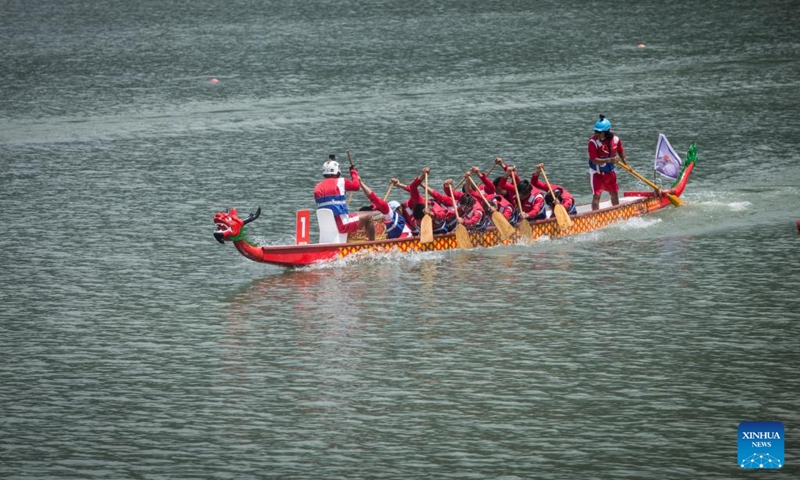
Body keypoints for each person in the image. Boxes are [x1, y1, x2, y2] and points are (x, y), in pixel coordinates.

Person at [313, 154, 375, 240]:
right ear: (337, 170)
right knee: (368, 217)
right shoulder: (341, 181)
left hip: (327, 226)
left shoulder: (317, 187)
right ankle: (372, 246)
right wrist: (353, 172)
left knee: (356, 215)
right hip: (342, 225)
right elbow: (356, 186)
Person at [588, 114, 627, 210]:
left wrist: (626, 164)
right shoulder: (592, 142)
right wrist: (610, 160)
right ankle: (595, 218)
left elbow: (620, 151)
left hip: (610, 173)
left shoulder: (616, 140)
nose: (596, 134)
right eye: (595, 131)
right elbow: (595, 160)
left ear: (606, 132)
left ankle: (617, 213)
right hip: (597, 173)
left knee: (614, 194)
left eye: (599, 132)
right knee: (596, 196)